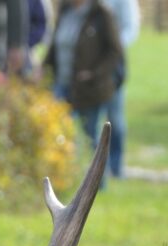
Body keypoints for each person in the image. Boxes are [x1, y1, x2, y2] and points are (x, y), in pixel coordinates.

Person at [43, 0, 122, 151]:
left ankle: (99, 174)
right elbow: (54, 46)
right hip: (62, 85)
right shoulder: (66, 11)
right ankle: (67, 174)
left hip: (89, 89)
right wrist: (43, 68)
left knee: (93, 138)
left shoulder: (101, 14)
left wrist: (94, 74)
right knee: (62, 137)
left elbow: (115, 51)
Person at [100, 0, 138, 177]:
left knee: (114, 116)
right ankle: (99, 170)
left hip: (112, 63)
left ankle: (115, 166)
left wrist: (112, 47)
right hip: (88, 61)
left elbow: (131, 28)